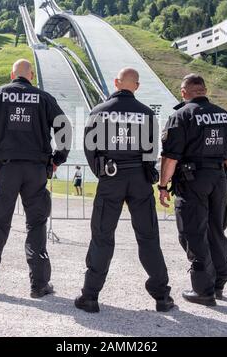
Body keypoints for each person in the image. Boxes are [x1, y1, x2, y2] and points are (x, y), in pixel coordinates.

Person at [0, 59, 72, 298]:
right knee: (36, 224)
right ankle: (39, 284)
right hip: (36, 170)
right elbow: (64, 127)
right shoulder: (43, 98)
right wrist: (57, 159)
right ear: (31, 75)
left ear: (12, 74)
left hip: (7, 168)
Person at [75, 68, 174, 313]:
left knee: (102, 236)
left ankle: (90, 296)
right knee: (148, 237)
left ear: (116, 83)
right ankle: (162, 297)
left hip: (111, 177)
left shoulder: (100, 111)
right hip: (140, 178)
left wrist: (102, 172)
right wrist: (147, 170)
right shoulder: (148, 114)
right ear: (136, 87)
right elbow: (153, 151)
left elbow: (90, 148)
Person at [159, 74, 227, 306]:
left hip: (192, 179)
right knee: (216, 228)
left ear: (184, 92)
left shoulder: (181, 116)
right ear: (204, 90)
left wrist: (163, 186)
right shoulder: (225, 115)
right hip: (219, 178)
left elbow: (170, 157)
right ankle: (220, 277)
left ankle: (203, 289)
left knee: (192, 231)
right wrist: (223, 177)